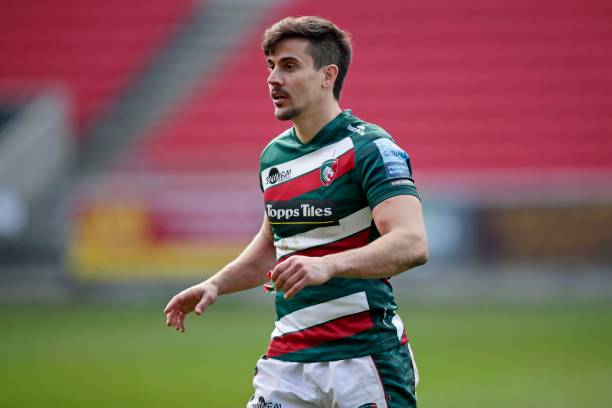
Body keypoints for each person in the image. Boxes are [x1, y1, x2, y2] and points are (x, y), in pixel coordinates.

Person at [164, 16, 429, 408]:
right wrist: (216, 284)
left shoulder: (370, 147)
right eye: (270, 66)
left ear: (327, 76)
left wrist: (329, 265)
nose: (273, 78)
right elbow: (273, 244)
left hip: (363, 360)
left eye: (289, 66)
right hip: (287, 362)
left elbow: (412, 242)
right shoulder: (273, 157)